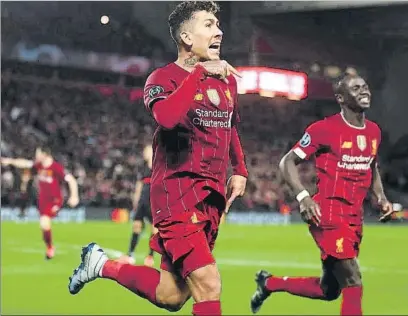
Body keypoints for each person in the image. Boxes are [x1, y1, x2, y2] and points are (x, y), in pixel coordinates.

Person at [68, 2, 248, 315]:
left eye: (218, 25)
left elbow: (230, 126)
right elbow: (166, 117)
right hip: (176, 197)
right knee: (209, 283)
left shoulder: (226, 80)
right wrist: (198, 73)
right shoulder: (161, 79)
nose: (219, 31)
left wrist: (241, 169)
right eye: (208, 24)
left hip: (211, 197)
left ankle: (101, 265)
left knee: (171, 295)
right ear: (187, 38)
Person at [250, 74, 395, 315]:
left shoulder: (374, 132)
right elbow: (287, 162)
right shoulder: (324, 129)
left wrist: (380, 197)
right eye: (356, 88)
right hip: (327, 213)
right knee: (353, 279)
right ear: (340, 98)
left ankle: (269, 283)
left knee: (329, 290)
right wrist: (303, 197)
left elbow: (372, 166)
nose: (364, 90)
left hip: (353, 218)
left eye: (365, 86)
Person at [1, 145, 80, 259]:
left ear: (44, 154)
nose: (36, 156)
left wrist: (74, 196)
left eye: (38, 154)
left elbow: (71, 180)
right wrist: (9, 161)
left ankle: (50, 248)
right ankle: (49, 247)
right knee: (44, 225)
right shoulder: (38, 166)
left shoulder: (56, 168)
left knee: (44, 222)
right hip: (42, 200)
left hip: (54, 200)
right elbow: (25, 163)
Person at [121, 144, 158, 267]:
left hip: (154, 201)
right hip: (142, 201)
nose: (144, 153)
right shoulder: (142, 168)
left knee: (154, 229)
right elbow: (139, 185)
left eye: (146, 151)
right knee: (136, 226)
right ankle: (130, 254)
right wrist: (136, 200)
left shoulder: (160, 166)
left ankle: (150, 256)